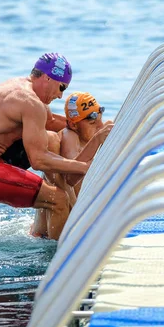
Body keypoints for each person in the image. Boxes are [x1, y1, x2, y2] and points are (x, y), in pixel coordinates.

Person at [0, 53, 90, 240]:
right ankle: (58, 258)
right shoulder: (30, 102)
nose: (60, 95)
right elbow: (38, 160)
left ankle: (41, 232)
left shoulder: (22, 88)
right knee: (58, 200)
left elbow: (51, 121)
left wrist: (94, 130)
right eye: (61, 87)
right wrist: (86, 167)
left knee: (52, 140)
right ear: (48, 78)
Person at [31, 92, 113, 238]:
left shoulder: (88, 136)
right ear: (73, 124)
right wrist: (97, 140)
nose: (99, 126)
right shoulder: (69, 136)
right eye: (93, 123)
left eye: (100, 120)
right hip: (44, 236)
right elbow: (70, 178)